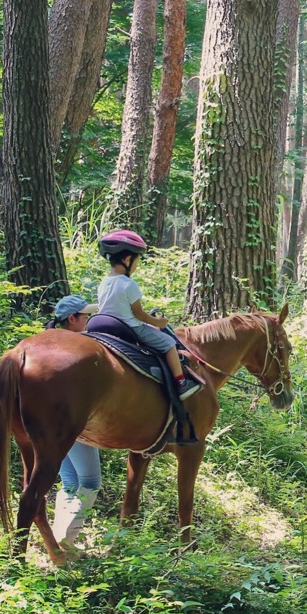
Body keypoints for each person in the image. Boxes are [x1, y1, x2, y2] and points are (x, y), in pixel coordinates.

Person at [96, 229, 201, 402]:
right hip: (128, 326)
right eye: (137, 259)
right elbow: (139, 315)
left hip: (103, 323)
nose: (137, 265)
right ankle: (181, 383)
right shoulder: (129, 284)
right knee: (168, 343)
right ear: (127, 259)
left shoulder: (104, 282)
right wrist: (158, 322)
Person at [48, 294, 102, 548]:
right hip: (73, 422)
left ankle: (61, 533)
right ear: (72, 319)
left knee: (70, 482)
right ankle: (65, 541)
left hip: (49, 424)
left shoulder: (49, 343)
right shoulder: (80, 346)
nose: (89, 320)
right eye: (85, 316)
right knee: (90, 482)